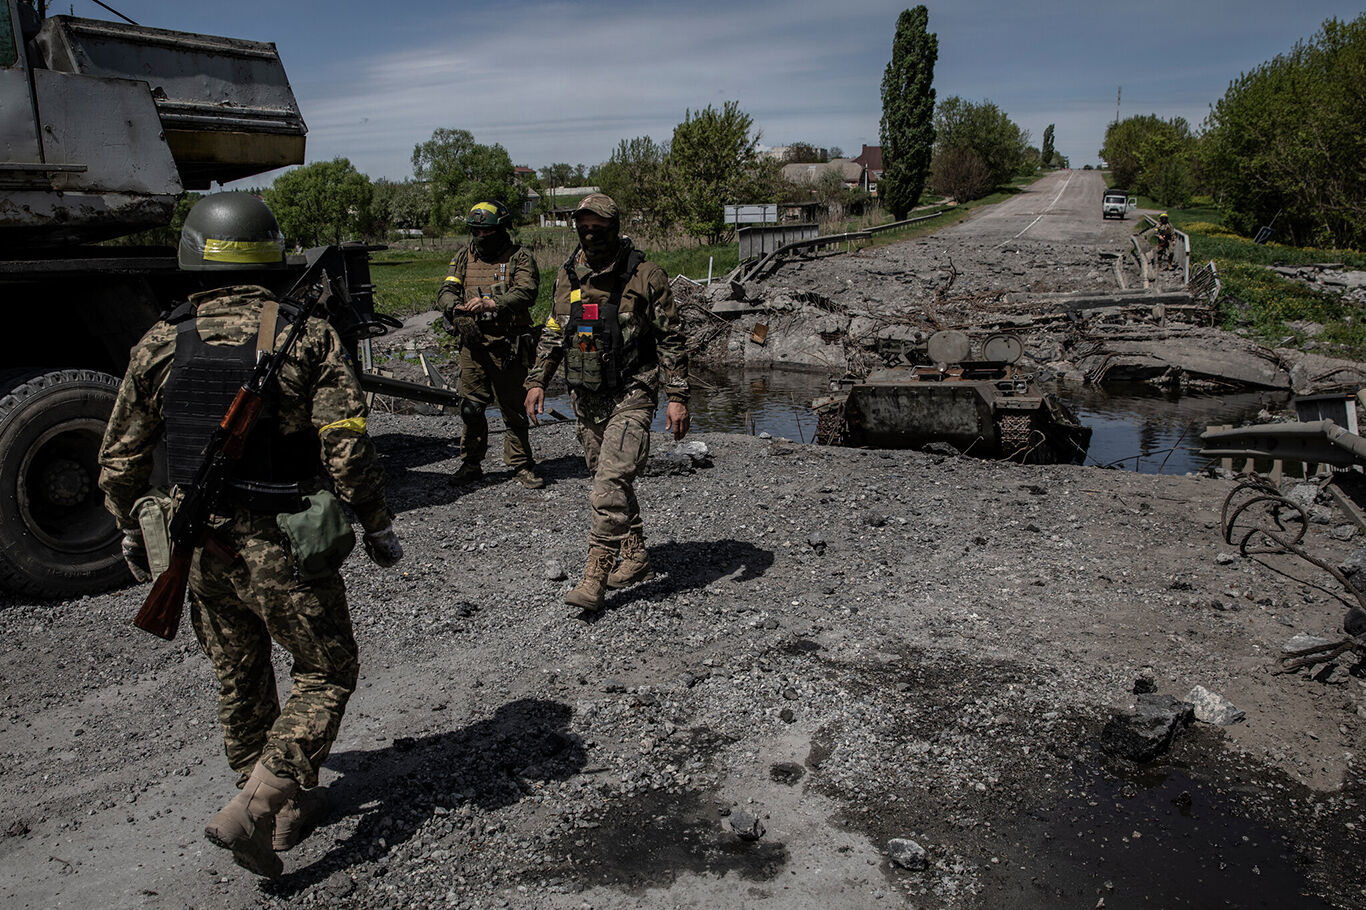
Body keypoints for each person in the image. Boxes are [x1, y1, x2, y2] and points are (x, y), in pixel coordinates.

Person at [97, 192, 403, 879]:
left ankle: (278, 802)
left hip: (197, 546)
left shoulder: (159, 340)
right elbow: (348, 452)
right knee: (327, 669)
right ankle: (257, 807)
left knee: (240, 678)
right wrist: (377, 525)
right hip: (284, 544)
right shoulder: (307, 334)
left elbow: (119, 461)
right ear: (270, 255)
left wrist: (127, 528)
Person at [523, 193, 690, 613]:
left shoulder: (646, 275)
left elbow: (671, 337)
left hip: (634, 391)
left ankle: (595, 576)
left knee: (609, 483)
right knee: (607, 479)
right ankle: (635, 557)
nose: (591, 234)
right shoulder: (567, 277)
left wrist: (677, 396)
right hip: (586, 396)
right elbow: (554, 331)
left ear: (615, 228)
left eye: (599, 227)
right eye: (584, 227)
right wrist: (537, 380)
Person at [439, 200, 544, 488]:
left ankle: (521, 464)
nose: (481, 238)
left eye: (487, 232)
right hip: (472, 345)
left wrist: (492, 303)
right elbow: (447, 289)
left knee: (512, 407)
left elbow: (527, 292)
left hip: (507, 345)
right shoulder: (464, 256)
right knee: (471, 408)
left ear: (501, 230)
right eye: (476, 232)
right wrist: (455, 310)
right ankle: (471, 463)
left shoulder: (519, 257)